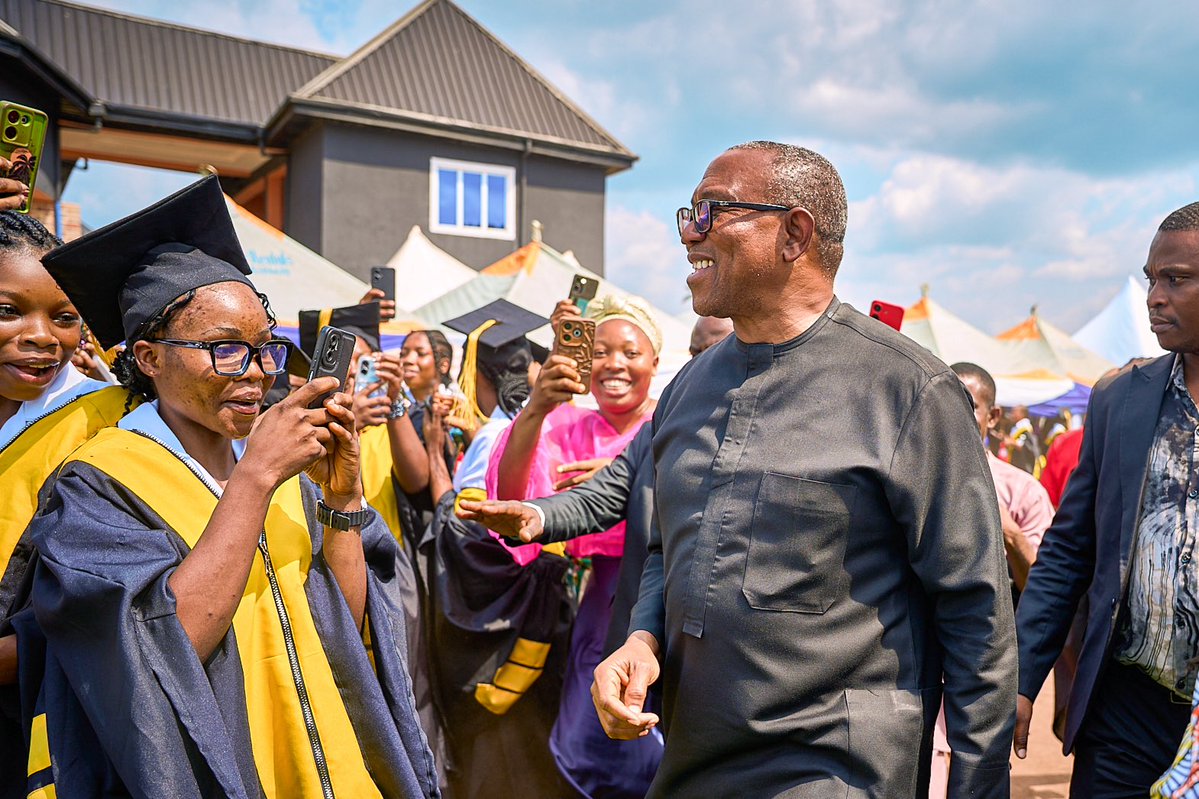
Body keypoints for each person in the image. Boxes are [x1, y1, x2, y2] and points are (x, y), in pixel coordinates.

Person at [592, 141, 1016, 797]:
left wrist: (976, 785)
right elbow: (662, 549)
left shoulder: (907, 391)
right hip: (691, 760)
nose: (688, 233)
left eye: (711, 211)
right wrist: (641, 639)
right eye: (688, 213)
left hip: (835, 769)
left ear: (794, 233)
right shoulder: (685, 391)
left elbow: (976, 611)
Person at [27, 177, 437, 797]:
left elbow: (345, 626)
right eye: (224, 349)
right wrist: (256, 478)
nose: (255, 373)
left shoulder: (287, 461)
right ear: (148, 357)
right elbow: (163, 651)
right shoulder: (99, 483)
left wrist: (341, 503)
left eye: (264, 349)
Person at [1015, 201, 1199, 796]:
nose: (1154, 298)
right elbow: (1069, 551)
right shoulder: (1121, 399)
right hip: (1124, 710)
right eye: (1151, 279)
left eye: (1176, 279)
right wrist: (1021, 678)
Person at [486, 293, 664, 797]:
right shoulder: (570, 424)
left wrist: (625, 479)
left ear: (655, 361)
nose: (614, 364)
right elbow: (516, 495)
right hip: (596, 603)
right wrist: (537, 408)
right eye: (600, 352)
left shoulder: (672, 423)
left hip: (661, 592)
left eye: (630, 352)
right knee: (594, 735)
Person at [0, 212, 135, 794]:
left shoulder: (110, 419)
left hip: (41, 721)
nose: (41, 336)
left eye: (65, 317)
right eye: (8, 311)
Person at [442, 299, 548, 495]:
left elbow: (466, 513)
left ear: (475, 374)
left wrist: (434, 451)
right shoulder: (530, 426)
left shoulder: (493, 435)